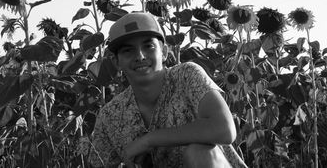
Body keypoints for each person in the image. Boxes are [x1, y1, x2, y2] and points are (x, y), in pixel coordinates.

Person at [88, 12, 247, 168]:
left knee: (198, 152)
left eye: (148, 46)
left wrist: (149, 140)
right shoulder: (110, 115)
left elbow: (224, 129)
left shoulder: (186, 76)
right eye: (128, 50)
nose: (140, 56)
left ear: (164, 52)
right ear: (116, 62)